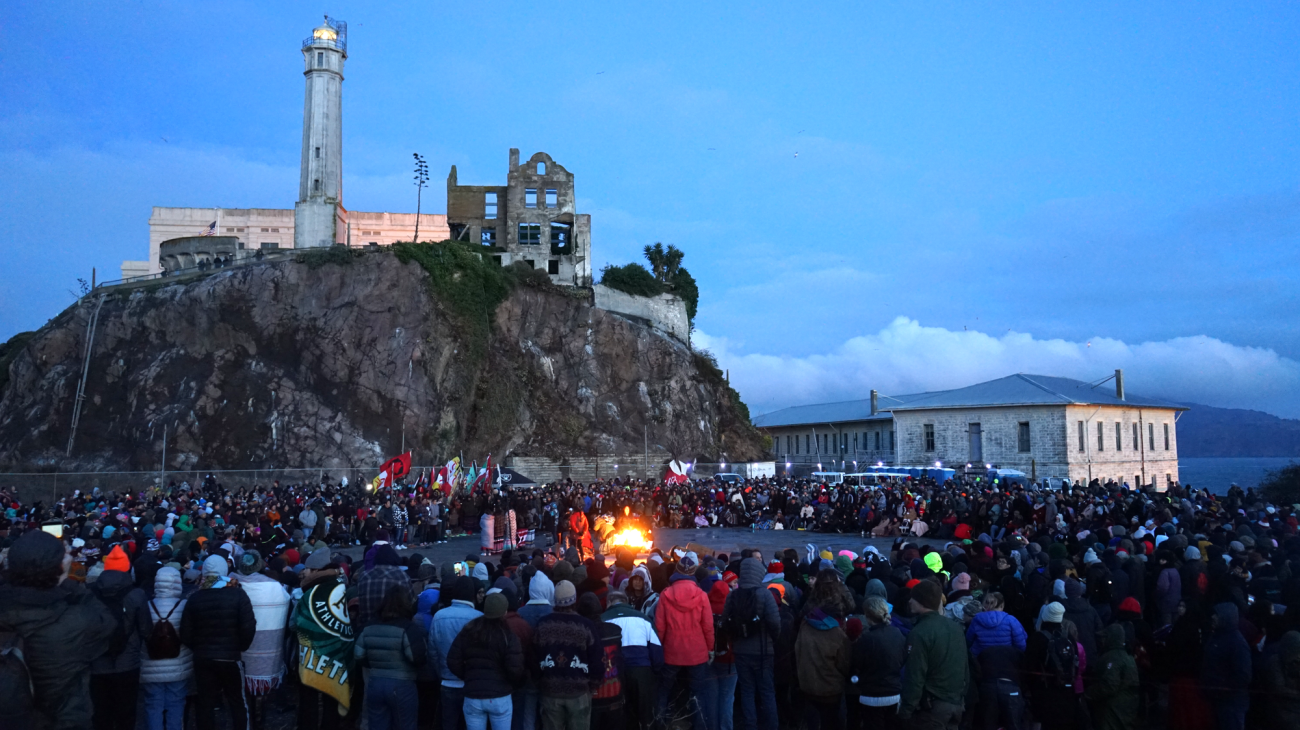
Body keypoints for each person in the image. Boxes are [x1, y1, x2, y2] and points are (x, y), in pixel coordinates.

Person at [0, 530, 118, 730]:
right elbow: (107, 623)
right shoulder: (73, 621)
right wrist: (67, 582)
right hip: (63, 719)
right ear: (58, 567)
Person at [180, 553, 256, 730]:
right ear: (225, 572)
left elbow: (185, 632)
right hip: (230, 656)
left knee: (205, 703)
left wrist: (199, 647)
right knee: (237, 701)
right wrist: (239, 647)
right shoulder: (238, 595)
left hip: (203, 657)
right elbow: (248, 627)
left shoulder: (194, 598)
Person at [89, 543, 151, 730]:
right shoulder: (136, 594)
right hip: (127, 662)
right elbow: (146, 629)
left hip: (97, 662)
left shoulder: (89, 593)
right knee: (126, 712)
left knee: (101, 713)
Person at [294, 549, 354, 730]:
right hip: (338, 651)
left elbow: (295, 624)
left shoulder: (310, 594)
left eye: (307, 569)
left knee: (309, 696)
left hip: (312, 653)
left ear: (315, 570)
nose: (304, 572)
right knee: (332, 696)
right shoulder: (341, 586)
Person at [653, 553, 714, 730]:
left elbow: (660, 627)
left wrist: (661, 650)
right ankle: (699, 726)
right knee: (698, 694)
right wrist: (710, 649)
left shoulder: (665, 595)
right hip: (697, 653)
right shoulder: (701, 595)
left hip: (672, 652)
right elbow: (708, 627)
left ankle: (660, 724)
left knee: (663, 691)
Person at [354, 584, 428, 730]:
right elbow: (417, 657)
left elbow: (358, 654)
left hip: (375, 682)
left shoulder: (369, 626)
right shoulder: (408, 627)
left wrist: (374, 664)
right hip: (402, 684)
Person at [448, 592, 525, 730]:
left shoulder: (469, 631)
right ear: (505, 611)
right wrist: (508, 683)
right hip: (500, 696)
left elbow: (453, 660)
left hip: (473, 696)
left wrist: (469, 677)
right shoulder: (508, 635)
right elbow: (515, 668)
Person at [898, 580, 968, 730]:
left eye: (913, 598)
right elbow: (965, 667)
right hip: (955, 704)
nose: (910, 601)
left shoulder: (919, 633)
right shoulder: (955, 628)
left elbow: (915, 676)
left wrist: (906, 711)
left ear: (922, 601)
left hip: (932, 709)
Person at [535, 580, 603, 730]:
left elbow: (533, 657)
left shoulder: (542, 624)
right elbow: (597, 659)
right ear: (574, 600)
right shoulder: (585, 626)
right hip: (579, 693)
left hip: (550, 691)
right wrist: (593, 684)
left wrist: (540, 681)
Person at [723, 557, 781, 730]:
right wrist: (773, 640)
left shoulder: (733, 595)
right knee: (767, 692)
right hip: (763, 651)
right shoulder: (765, 594)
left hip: (740, 651)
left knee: (747, 691)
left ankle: (750, 726)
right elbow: (775, 623)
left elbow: (725, 621)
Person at [139, 566, 194, 730]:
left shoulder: (146, 605)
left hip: (151, 664)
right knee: (176, 703)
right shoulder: (184, 605)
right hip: (178, 663)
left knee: (152, 704)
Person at [794, 578, 851, 730]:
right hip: (831, 688)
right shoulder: (837, 633)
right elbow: (844, 664)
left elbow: (797, 651)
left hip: (807, 684)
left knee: (812, 719)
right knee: (832, 720)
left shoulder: (805, 625)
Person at [603, 590, 663, 730]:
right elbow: (657, 652)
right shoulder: (643, 619)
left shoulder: (602, 619)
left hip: (613, 674)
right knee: (644, 714)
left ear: (608, 603)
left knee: (620, 715)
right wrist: (654, 672)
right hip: (641, 672)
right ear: (627, 602)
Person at [431, 576, 484, 730]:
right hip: (472, 684)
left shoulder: (439, 616)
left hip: (447, 681)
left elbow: (432, 652)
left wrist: (440, 673)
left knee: (449, 724)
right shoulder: (479, 618)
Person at [851, 595, 905, 730]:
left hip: (871, 696)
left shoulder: (866, 639)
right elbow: (903, 659)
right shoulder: (897, 633)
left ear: (867, 616)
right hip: (894, 694)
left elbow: (857, 664)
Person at [1025, 601, 1079, 730]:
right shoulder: (1069, 638)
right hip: (1067, 692)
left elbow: (1028, 666)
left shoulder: (1037, 638)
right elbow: (1076, 663)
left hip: (1044, 693)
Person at [1200, 602, 1251, 730]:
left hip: (1231, 702)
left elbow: (1244, 675)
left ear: (1225, 617)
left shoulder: (1237, 643)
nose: (1213, 617)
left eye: (1216, 615)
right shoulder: (1216, 636)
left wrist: (1222, 687)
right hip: (1216, 698)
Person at [1085, 624, 1139, 730]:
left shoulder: (1114, 657)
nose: (1101, 641)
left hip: (1114, 710)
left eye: (1104, 637)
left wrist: (1087, 693)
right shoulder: (1127, 655)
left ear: (1111, 638)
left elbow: (1109, 685)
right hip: (1125, 708)